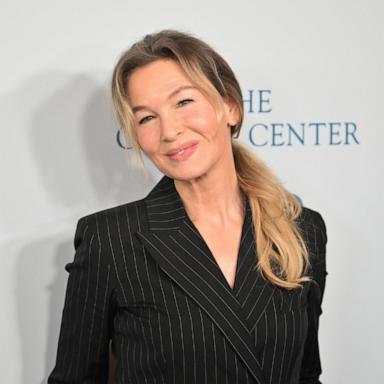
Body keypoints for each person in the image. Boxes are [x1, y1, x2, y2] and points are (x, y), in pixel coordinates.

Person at [48, 29, 327, 384]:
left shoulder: (303, 230)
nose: (169, 131)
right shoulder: (111, 241)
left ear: (230, 106)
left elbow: (305, 373)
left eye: (183, 102)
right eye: (147, 117)